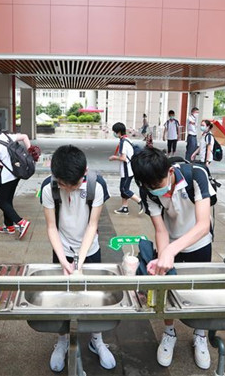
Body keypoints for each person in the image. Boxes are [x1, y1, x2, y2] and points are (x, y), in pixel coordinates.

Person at [131, 148, 215, 370]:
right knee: (166, 288)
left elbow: (203, 225)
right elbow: (160, 229)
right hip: (170, 241)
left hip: (199, 242)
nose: (156, 190)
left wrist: (171, 250)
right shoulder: (148, 190)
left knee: (200, 291)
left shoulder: (196, 175)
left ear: (169, 171)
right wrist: (163, 255)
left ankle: (200, 335)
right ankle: (169, 332)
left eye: (158, 185)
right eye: (149, 187)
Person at [40, 145, 116, 372]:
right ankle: (62, 340)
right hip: (62, 248)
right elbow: (51, 227)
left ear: (85, 172)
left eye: (73, 186)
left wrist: (80, 261)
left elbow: (93, 225)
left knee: (93, 294)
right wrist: (64, 260)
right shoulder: (48, 187)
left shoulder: (96, 185)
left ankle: (97, 339)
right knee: (61, 296)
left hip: (89, 249)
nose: (69, 190)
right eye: (64, 185)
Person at [0, 118, 31, 239]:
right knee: (7, 200)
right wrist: (30, 152)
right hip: (16, 174)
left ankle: (20, 222)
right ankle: (9, 226)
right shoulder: (7, 136)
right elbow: (25, 137)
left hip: (6, 177)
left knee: (0, 201)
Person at [109, 122, 144, 215]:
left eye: (115, 132)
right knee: (124, 188)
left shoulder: (123, 142)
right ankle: (124, 208)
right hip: (129, 169)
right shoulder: (127, 139)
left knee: (124, 189)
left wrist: (114, 157)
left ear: (119, 132)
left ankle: (140, 201)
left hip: (127, 170)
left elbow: (123, 158)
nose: (114, 134)